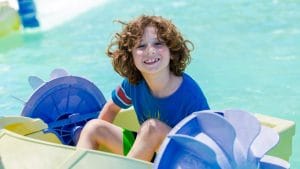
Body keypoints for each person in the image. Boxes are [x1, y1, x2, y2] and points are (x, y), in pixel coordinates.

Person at [77, 15, 209, 162]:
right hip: (147, 154)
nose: (150, 50)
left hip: (181, 160)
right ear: (130, 57)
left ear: (172, 51)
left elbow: (206, 145)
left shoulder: (189, 93)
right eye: (141, 46)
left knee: (151, 129)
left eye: (158, 43)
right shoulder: (133, 84)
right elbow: (111, 108)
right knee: (93, 127)